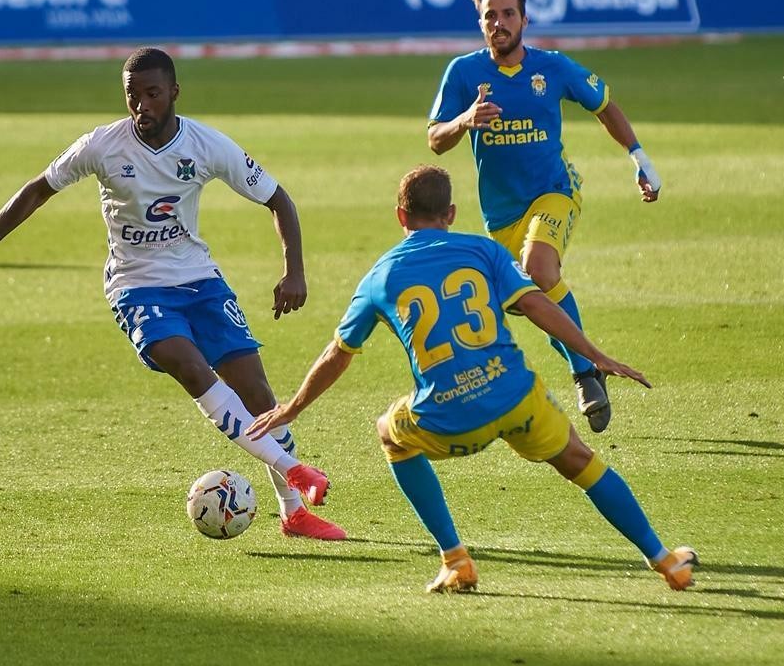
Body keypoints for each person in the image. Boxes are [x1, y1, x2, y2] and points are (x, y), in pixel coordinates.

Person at [0, 47, 345, 541]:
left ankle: (293, 514)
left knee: (259, 395)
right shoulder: (102, 145)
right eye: (133, 95)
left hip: (200, 281)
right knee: (191, 366)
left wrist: (294, 271)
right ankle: (297, 471)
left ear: (174, 91)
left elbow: (278, 198)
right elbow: (36, 189)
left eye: (152, 94)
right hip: (136, 287)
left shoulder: (206, 145)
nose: (142, 106)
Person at [248, 165, 695, 593]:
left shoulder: (379, 276)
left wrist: (291, 409)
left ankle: (455, 560)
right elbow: (538, 305)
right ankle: (664, 560)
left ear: (401, 216)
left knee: (391, 433)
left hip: (449, 418)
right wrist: (594, 355)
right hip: (516, 397)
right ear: (451, 215)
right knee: (582, 462)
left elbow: (337, 355)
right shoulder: (484, 250)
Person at [427, 0, 662, 433]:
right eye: (490, 15)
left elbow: (604, 104)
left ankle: (582, 372)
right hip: (502, 214)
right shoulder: (463, 73)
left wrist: (639, 157)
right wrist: (465, 120)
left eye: (508, 14)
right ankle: (587, 367)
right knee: (525, 299)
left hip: (555, 192)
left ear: (525, 19)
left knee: (539, 271)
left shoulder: (552, 68)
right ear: (480, 24)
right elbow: (435, 140)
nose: (499, 22)